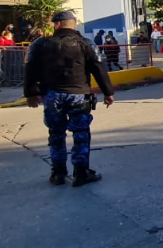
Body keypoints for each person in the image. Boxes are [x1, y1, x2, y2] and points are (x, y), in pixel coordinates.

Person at [24, 11, 114, 187]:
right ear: (73, 24)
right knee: (81, 133)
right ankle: (81, 172)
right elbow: (99, 68)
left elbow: (30, 68)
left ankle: (58, 173)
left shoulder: (40, 44)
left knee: (56, 133)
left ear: (56, 24)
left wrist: (30, 93)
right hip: (80, 95)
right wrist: (108, 92)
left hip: (51, 95)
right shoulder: (86, 44)